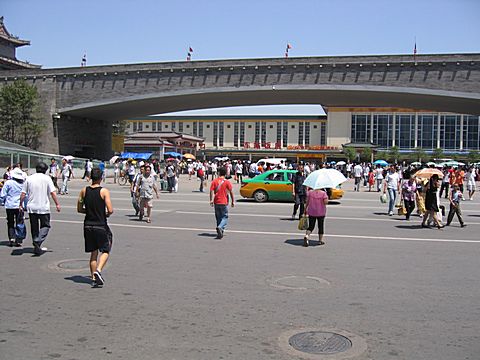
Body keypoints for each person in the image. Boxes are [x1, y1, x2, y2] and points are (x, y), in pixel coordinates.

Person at [77, 167, 113, 288]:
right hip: (100, 225)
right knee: (106, 250)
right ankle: (98, 270)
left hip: (88, 225)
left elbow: (79, 208)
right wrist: (105, 213)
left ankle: (93, 277)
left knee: (93, 252)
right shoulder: (104, 191)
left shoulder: (83, 191)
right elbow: (110, 209)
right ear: (101, 178)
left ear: (91, 177)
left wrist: (89, 211)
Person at [19, 162, 61, 255]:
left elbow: (23, 194)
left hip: (31, 207)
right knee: (45, 225)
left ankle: (36, 246)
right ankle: (38, 241)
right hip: (43, 207)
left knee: (34, 227)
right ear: (45, 170)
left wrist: (20, 204)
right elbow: (53, 192)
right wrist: (57, 204)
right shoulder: (47, 178)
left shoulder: (29, 178)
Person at [0, 168, 26, 247]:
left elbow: (3, 195)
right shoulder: (23, 184)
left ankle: (11, 238)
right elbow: (25, 195)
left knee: (10, 222)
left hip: (10, 205)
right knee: (19, 222)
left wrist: (1, 202)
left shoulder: (8, 183)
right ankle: (18, 239)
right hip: (19, 205)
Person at [209, 167, 234, 239]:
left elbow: (211, 191)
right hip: (224, 202)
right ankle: (220, 227)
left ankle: (220, 231)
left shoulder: (215, 181)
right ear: (225, 173)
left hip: (216, 201)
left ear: (218, 173)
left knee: (218, 217)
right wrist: (232, 201)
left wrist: (211, 200)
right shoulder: (227, 182)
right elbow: (231, 192)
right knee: (225, 216)